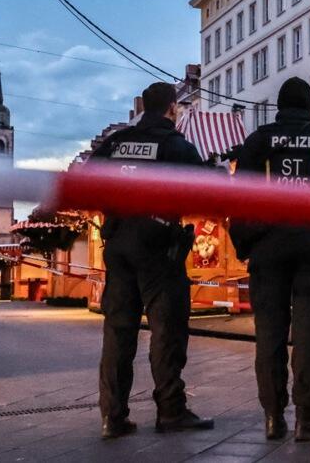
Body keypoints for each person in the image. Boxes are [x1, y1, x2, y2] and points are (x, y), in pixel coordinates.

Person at [230, 77, 310, 442]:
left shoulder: (258, 141)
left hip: (267, 245)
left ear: (279, 105)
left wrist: (245, 244)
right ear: (309, 103)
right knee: (309, 334)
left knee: (268, 333)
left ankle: (273, 417)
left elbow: (238, 198)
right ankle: (307, 417)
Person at [89, 82, 214, 439]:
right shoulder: (177, 146)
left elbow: (88, 177)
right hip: (158, 245)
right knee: (167, 329)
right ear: (173, 109)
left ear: (144, 106)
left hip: (119, 242)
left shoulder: (115, 144)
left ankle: (113, 416)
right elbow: (206, 188)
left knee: (118, 330)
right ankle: (171, 411)